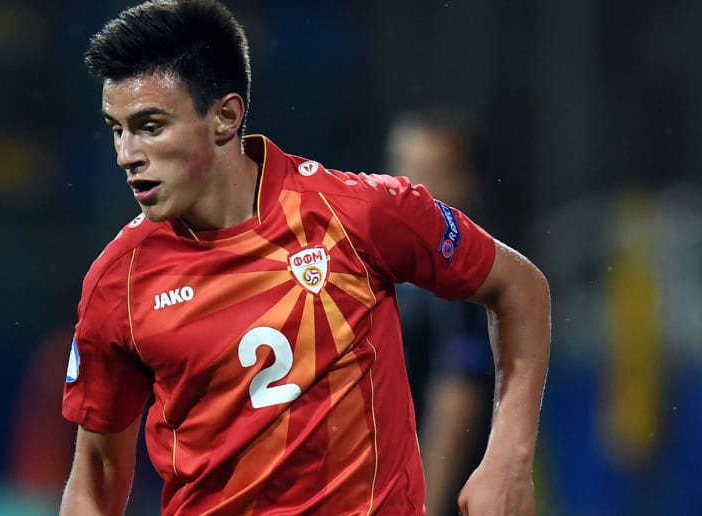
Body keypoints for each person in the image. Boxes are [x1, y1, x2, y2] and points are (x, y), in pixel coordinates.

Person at [60, 1, 551, 515]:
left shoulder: (361, 214)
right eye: (116, 129)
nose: (126, 154)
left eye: (150, 126)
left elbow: (520, 286)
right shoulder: (118, 280)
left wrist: (508, 460)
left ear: (225, 116)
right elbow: (97, 472)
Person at [385, 110, 496, 516]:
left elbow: (457, 397)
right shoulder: (391, 269)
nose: (413, 188)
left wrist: (423, 507)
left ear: (467, 183)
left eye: (432, 173)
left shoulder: (460, 279)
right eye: (403, 169)